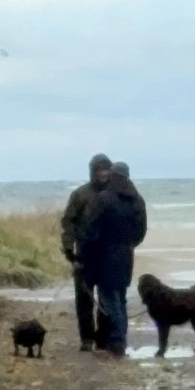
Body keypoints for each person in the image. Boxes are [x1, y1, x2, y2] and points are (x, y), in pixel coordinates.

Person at [76, 161, 147, 357]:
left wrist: (82, 256)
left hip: (104, 256)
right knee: (120, 300)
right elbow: (141, 233)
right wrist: (128, 245)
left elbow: (91, 231)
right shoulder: (137, 200)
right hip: (125, 256)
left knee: (109, 301)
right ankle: (119, 340)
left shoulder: (104, 199)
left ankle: (117, 341)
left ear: (114, 177)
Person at [60, 153, 111, 350]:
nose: (103, 173)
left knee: (106, 298)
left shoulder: (115, 194)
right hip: (84, 253)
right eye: (99, 169)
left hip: (108, 255)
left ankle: (103, 338)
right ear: (93, 171)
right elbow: (68, 222)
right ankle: (87, 339)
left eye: (106, 169)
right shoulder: (81, 194)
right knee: (84, 299)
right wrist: (67, 247)